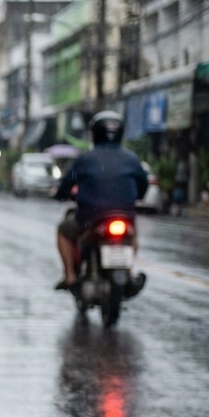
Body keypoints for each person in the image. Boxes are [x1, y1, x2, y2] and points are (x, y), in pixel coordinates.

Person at [53, 111, 148, 291]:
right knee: (132, 235)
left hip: (90, 216)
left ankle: (70, 277)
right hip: (125, 214)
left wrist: (60, 194)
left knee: (63, 232)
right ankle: (127, 272)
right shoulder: (132, 159)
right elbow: (142, 185)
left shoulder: (85, 159)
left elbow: (67, 184)